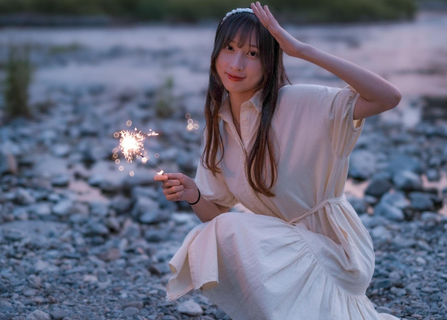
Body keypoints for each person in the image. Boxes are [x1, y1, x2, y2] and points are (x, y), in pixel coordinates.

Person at [154, 2, 401, 319]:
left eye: (253, 54)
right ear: (216, 53)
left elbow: (387, 97)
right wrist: (194, 195)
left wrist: (303, 50)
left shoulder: (299, 102)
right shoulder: (220, 126)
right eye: (229, 48)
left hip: (337, 250)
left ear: (271, 61)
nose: (237, 63)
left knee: (230, 227)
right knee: (215, 231)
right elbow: (215, 215)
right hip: (279, 252)